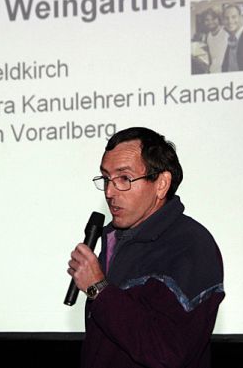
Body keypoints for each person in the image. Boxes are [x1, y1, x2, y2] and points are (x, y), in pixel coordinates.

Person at [67, 127, 224, 368]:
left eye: (124, 178)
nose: (109, 191)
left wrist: (99, 288)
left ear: (161, 184)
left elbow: (167, 351)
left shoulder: (190, 245)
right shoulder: (115, 239)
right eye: (106, 178)